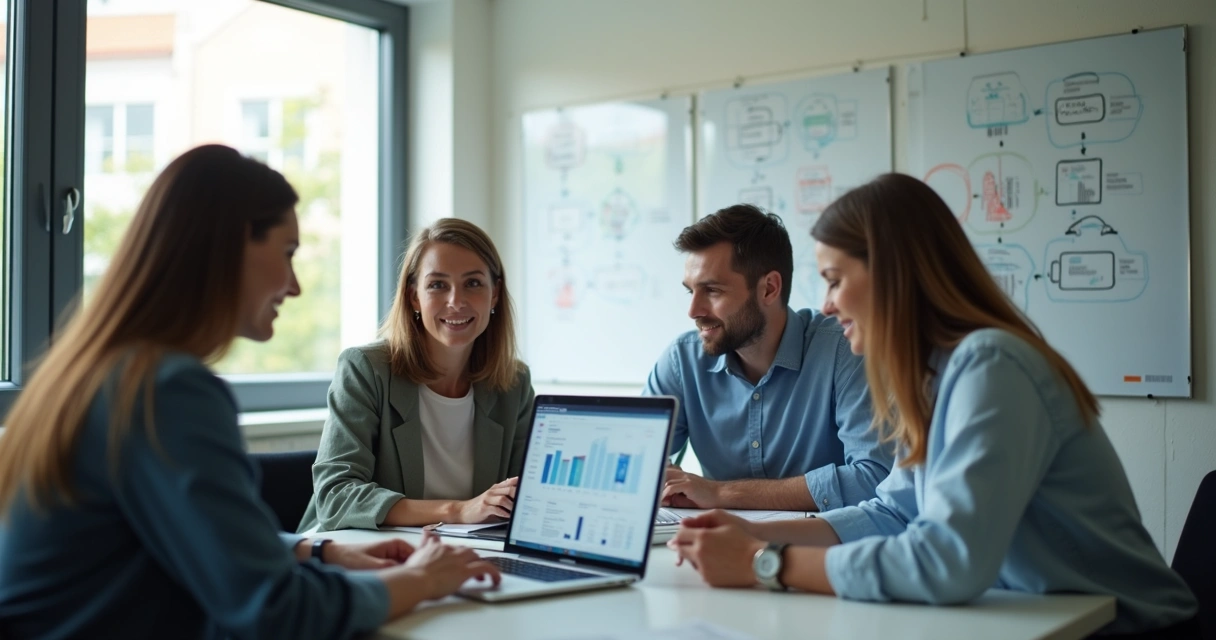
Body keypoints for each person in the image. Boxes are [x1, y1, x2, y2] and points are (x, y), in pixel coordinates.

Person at [0, 145, 500, 639]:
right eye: (286, 254)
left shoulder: (99, 371)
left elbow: (176, 538)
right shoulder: (168, 391)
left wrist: (316, 551)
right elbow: (277, 611)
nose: (295, 284)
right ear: (231, 246)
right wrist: (421, 579)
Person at [669, 174, 1198, 637]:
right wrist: (749, 530)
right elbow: (893, 511)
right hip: (1028, 620)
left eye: (835, 280)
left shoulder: (993, 365)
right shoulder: (933, 377)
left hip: (1119, 629)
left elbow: (947, 561)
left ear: (893, 274)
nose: (826, 303)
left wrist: (765, 563)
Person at [644, 204, 892, 512]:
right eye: (690, 291)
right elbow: (633, 462)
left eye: (712, 291)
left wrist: (721, 494)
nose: (694, 311)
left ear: (769, 288)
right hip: (716, 548)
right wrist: (657, 479)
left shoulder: (846, 349)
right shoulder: (683, 360)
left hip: (820, 550)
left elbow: (874, 477)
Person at [300, 218, 534, 531]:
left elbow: (530, 496)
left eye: (473, 283)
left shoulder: (513, 383)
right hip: (356, 549)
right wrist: (458, 510)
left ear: (494, 295)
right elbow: (335, 496)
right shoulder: (366, 370)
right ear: (414, 296)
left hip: (462, 552)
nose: (456, 301)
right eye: (438, 284)